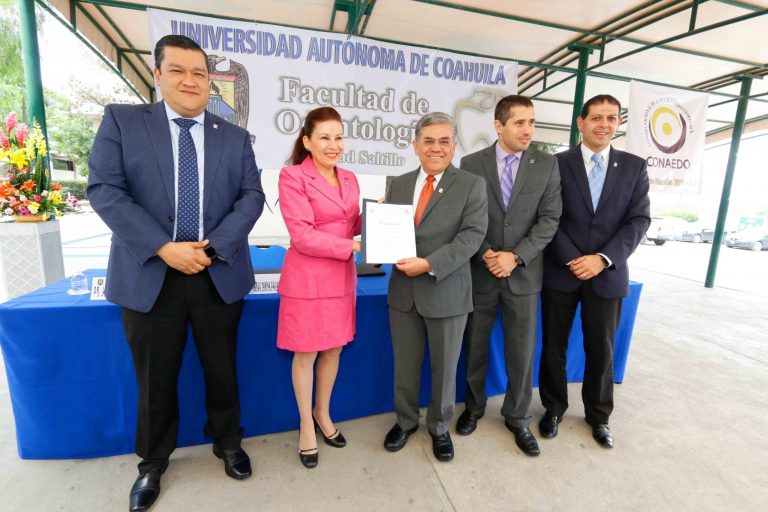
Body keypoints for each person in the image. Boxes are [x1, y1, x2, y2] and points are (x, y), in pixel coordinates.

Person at [88, 35, 265, 512]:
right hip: (150, 274)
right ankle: (152, 462)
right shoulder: (122, 123)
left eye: (199, 73)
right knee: (155, 376)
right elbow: (105, 190)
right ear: (158, 75)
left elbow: (252, 197)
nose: (190, 80)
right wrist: (163, 248)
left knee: (222, 367)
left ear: (210, 81)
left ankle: (228, 442)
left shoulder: (235, 136)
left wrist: (216, 246)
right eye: (179, 70)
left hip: (216, 271)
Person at [539, 94, 650, 448]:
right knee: (553, 346)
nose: (604, 124)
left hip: (608, 274)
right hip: (561, 270)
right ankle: (553, 408)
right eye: (597, 117)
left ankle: (598, 416)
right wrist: (574, 258)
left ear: (618, 123)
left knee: (601, 349)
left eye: (612, 118)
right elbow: (547, 217)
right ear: (581, 122)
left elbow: (638, 220)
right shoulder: (555, 164)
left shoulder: (634, 166)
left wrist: (602, 258)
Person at [456, 95, 561, 457]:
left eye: (531, 122)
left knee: (522, 352)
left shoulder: (546, 164)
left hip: (523, 274)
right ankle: (473, 408)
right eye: (520, 122)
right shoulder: (471, 163)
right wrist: (486, 253)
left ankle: (518, 417)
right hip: (481, 271)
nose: (528, 129)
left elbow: (550, 220)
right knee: (475, 346)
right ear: (498, 126)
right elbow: (465, 216)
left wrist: (515, 257)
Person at [383, 112, 488, 462]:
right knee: (405, 364)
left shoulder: (472, 185)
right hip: (403, 293)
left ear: (454, 146)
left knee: (445, 370)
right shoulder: (397, 183)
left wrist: (429, 264)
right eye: (428, 141)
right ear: (416, 146)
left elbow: (472, 237)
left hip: (446, 289)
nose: (436, 148)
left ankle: (440, 427)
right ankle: (405, 421)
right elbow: (391, 233)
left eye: (444, 141)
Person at [277, 107, 362, 469]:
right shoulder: (292, 176)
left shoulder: (350, 178)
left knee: (333, 350)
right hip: (308, 277)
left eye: (339, 137)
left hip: (341, 278)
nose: (333, 145)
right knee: (307, 353)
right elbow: (303, 235)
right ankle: (305, 425)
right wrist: (353, 246)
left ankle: (323, 413)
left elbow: (350, 222)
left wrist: (379, 218)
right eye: (325, 137)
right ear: (307, 141)